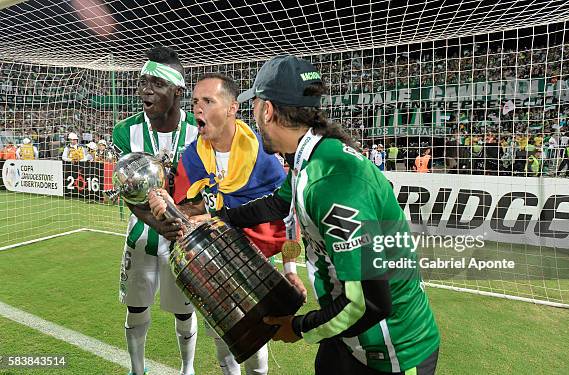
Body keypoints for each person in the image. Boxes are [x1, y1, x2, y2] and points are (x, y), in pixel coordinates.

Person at [191, 55, 440, 374]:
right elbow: (276, 204)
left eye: (254, 106)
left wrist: (296, 327)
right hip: (349, 337)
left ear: (267, 110)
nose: (252, 117)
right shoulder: (312, 156)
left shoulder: (332, 182)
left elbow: (370, 302)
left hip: (391, 351)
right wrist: (220, 218)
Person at [148, 72, 306, 375]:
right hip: (213, 262)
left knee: (256, 346)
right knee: (223, 339)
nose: (198, 109)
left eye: (208, 101)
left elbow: (288, 213)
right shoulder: (192, 158)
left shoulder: (262, 153)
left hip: (254, 263)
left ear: (232, 108)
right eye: (195, 102)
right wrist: (164, 205)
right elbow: (187, 216)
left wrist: (289, 269)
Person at [111, 46, 200, 375]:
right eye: (143, 82)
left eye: (156, 84)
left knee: (183, 310)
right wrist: (155, 222)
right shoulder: (126, 131)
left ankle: (187, 368)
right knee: (136, 307)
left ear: (177, 91)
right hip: (142, 233)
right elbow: (129, 192)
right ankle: (137, 369)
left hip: (185, 236)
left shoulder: (199, 131)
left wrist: (177, 223)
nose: (145, 90)